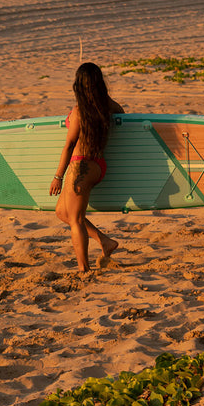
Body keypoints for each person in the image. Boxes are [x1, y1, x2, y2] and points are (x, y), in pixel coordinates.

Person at [49, 62, 124, 272]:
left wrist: (58, 176)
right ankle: (105, 241)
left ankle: (83, 269)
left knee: (75, 219)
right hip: (98, 165)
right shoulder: (107, 105)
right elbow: (122, 112)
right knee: (62, 212)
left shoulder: (79, 111)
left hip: (80, 165)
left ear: (78, 85)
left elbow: (69, 145)